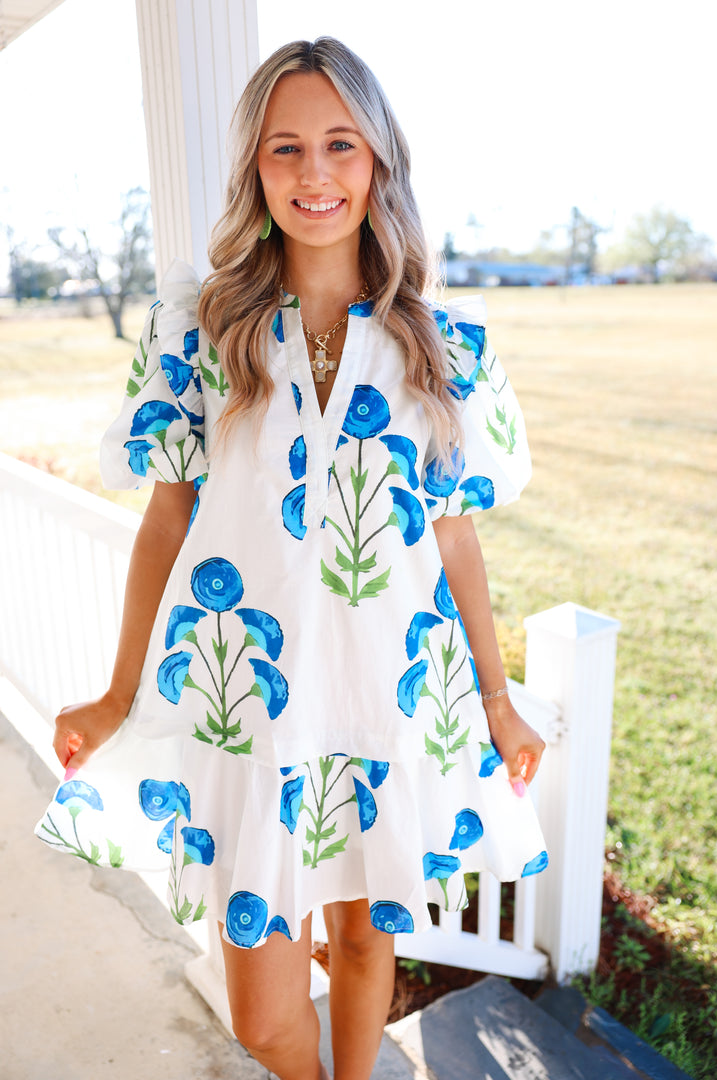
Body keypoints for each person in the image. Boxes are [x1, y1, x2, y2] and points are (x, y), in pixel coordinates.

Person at [36, 37, 547, 1080]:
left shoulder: (444, 346)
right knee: (266, 1017)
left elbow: (453, 533)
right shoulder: (202, 328)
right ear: (255, 170)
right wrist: (117, 690)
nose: (315, 175)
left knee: (365, 939)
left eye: (339, 145)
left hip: (389, 693)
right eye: (286, 149)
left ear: (378, 162)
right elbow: (166, 521)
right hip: (248, 705)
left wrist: (495, 698)